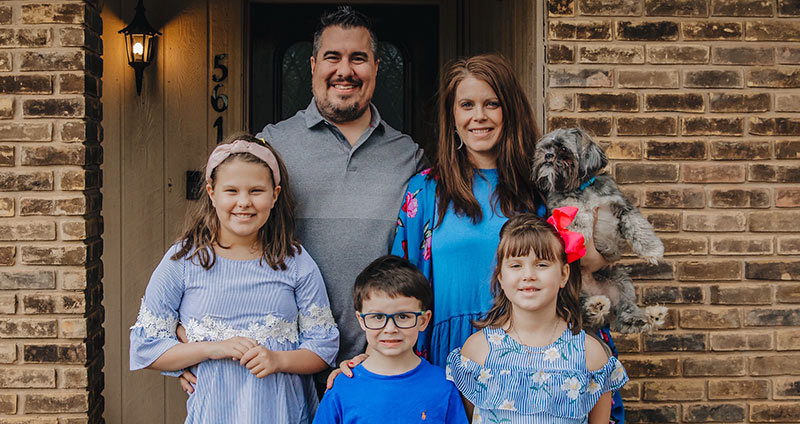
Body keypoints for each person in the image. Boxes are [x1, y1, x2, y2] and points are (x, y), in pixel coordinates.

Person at [254, 6, 425, 369]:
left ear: (376, 67)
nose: (345, 71)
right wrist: (190, 331)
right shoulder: (270, 147)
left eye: (358, 58)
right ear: (313, 65)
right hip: (284, 362)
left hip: (376, 364)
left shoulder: (409, 157)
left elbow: (429, 259)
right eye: (333, 57)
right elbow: (224, 241)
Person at [130, 134, 339, 423]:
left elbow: (323, 347)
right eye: (231, 191)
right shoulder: (184, 260)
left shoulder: (295, 261)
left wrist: (278, 360)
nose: (244, 202)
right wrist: (210, 349)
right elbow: (147, 348)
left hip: (282, 412)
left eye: (256, 191)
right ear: (212, 193)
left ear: (275, 195)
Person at [392, 53, 545, 367]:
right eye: (467, 105)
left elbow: (573, 279)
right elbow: (399, 285)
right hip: (448, 351)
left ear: (510, 110)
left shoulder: (541, 188)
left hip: (530, 352)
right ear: (452, 116)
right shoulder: (425, 191)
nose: (479, 116)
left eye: (492, 104)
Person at [447, 210, 628, 424]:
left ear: (563, 274)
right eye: (516, 265)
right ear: (501, 277)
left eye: (542, 264)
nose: (528, 275)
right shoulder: (477, 351)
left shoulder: (590, 355)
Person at [313, 255, 469, 424]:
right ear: (361, 320)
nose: (390, 329)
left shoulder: (443, 386)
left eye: (403, 316)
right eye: (378, 316)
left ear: (423, 320)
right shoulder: (342, 387)